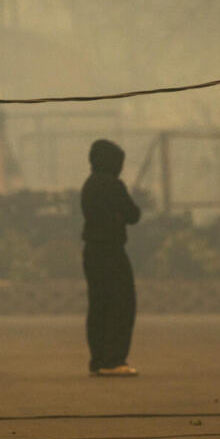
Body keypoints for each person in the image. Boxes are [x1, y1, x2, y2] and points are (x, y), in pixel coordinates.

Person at [81, 139, 141, 377]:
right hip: (112, 251)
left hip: (92, 252)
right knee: (121, 304)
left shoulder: (89, 185)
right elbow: (133, 214)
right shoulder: (113, 185)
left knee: (98, 306)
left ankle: (98, 359)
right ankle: (114, 359)